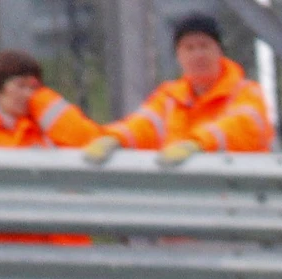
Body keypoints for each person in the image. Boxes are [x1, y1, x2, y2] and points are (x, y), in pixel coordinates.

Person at [82, 13, 271, 167]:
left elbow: (241, 127)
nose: (198, 55)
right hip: (185, 196)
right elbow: (142, 125)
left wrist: (198, 144)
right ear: (178, 56)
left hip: (235, 196)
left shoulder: (247, 92)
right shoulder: (170, 97)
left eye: (204, 46)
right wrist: (114, 138)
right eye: (189, 48)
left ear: (219, 51)